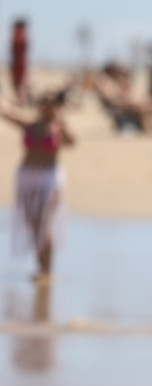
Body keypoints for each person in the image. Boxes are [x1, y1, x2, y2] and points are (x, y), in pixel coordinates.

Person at [1, 91, 74, 282]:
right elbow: (6, 112)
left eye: (51, 101)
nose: (47, 105)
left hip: (49, 179)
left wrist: (60, 126)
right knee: (33, 224)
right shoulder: (29, 124)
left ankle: (48, 270)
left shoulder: (59, 126)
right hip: (26, 177)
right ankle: (40, 267)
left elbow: (73, 142)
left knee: (44, 224)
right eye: (44, 100)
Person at [10, 19, 29, 106]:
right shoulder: (20, 36)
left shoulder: (20, 36)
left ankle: (20, 101)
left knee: (20, 83)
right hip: (18, 63)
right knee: (17, 83)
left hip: (19, 63)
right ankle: (19, 101)